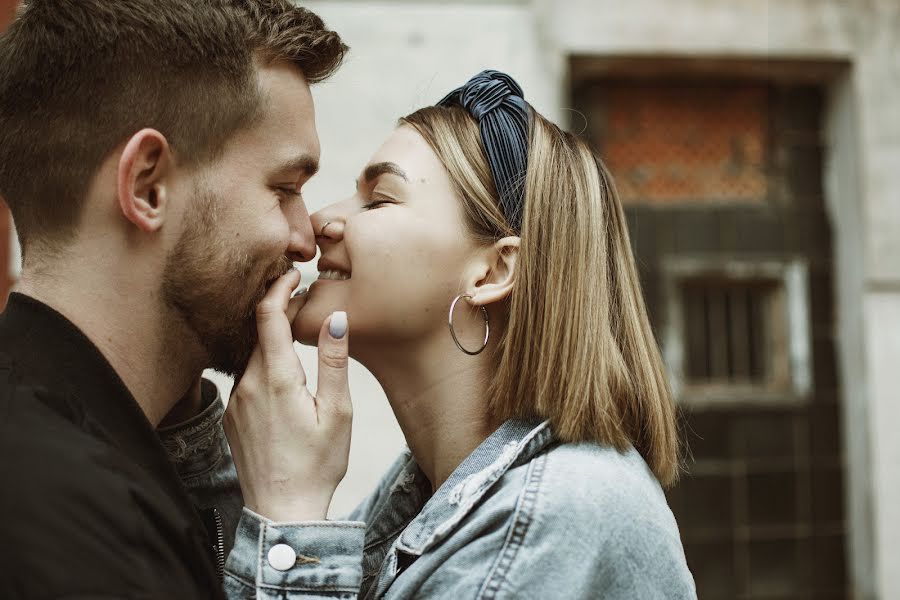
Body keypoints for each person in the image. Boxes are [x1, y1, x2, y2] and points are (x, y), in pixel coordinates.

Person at [172, 71, 697, 598]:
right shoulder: (426, 497)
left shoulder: (557, 511)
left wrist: (290, 516)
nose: (319, 222)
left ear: (492, 273)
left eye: (378, 199)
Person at [0, 1, 354, 597]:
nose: (305, 240)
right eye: (284, 189)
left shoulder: (96, 459)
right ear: (147, 187)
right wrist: (297, 527)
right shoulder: (69, 514)